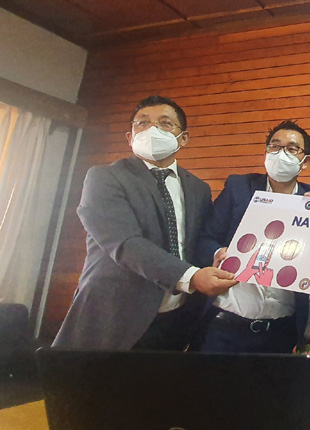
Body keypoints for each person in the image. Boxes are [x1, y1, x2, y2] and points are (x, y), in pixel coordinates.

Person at [53, 96, 237, 350]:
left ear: (183, 138)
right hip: (115, 316)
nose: (152, 129)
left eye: (165, 123)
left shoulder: (198, 189)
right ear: (130, 137)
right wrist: (192, 277)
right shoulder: (105, 178)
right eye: (143, 123)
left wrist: (216, 255)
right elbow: (125, 243)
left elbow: (196, 241)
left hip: (177, 318)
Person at [193, 120, 310, 353]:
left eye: (292, 148)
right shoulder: (239, 187)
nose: (281, 153)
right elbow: (205, 238)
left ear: (305, 162)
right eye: (275, 146)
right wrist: (217, 253)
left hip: (280, 332)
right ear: (266, 152)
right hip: (226, 327)